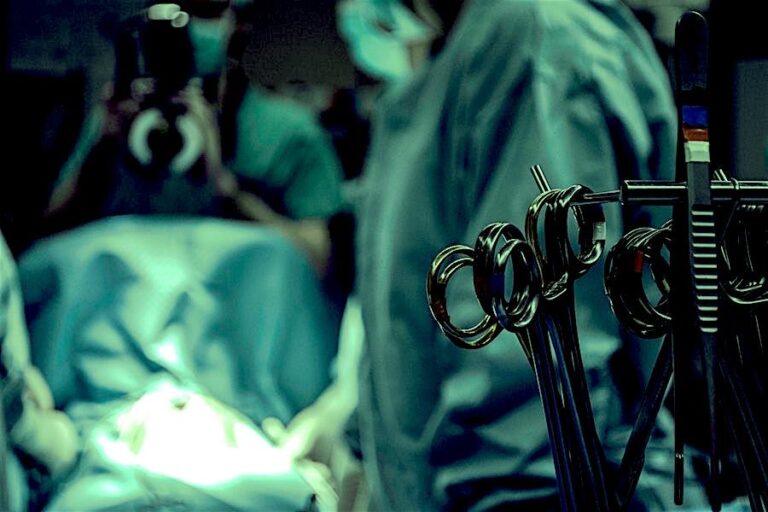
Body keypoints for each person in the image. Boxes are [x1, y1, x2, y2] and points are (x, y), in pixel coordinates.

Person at [339, 0, 707, 510]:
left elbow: (529, 410)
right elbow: (406, 312)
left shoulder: (532, 44)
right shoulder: (456, 61)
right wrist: (360, 439)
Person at [44, 0, 347, 279]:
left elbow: (317, 260)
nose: (182, 24)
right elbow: (44, 246)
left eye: (205, 12)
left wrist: (229, 194)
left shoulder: (291, 135)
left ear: (239, 26)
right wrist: (100, 155)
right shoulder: (116, 123)